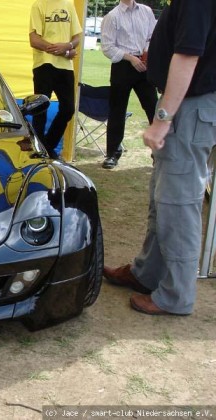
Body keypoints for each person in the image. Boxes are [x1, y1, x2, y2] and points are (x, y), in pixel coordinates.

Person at [103, 0, 216, 316]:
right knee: (163, 198)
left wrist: (163, 117)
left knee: (177, 204)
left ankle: (175, 296)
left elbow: (188, 54)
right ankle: (146, 273)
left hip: (188, 108)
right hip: (189, 106)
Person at [100, 0, 158, 170]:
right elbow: (107, 47)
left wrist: (146, 53)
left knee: (153, 107)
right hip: (123, 65)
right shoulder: (112, 16)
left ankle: (159, 153)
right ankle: (112, 153)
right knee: (117, 110)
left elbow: (152, 36)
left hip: (144, 63)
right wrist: (131, 59)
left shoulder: (146, 11)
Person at [29, 0, 82, 159]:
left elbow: (77, 37)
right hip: (44, 64)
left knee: (68, 109)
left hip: (65, 67)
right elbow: (34, 40)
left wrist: (68, 46)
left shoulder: (69, 4)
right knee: (40, 109)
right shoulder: (38, 5)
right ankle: (39, 150)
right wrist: (62, 51)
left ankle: (47, 146)